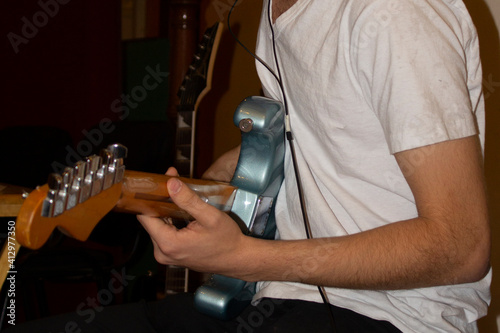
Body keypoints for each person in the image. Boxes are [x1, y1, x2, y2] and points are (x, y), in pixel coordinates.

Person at [6, 0, 490, 332]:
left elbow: (462, 245)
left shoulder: (391, 15)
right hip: (278, 298)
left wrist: (241, 257)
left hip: (390, 317)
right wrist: (205, 185)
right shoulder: (278, 11)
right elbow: (323, 141)